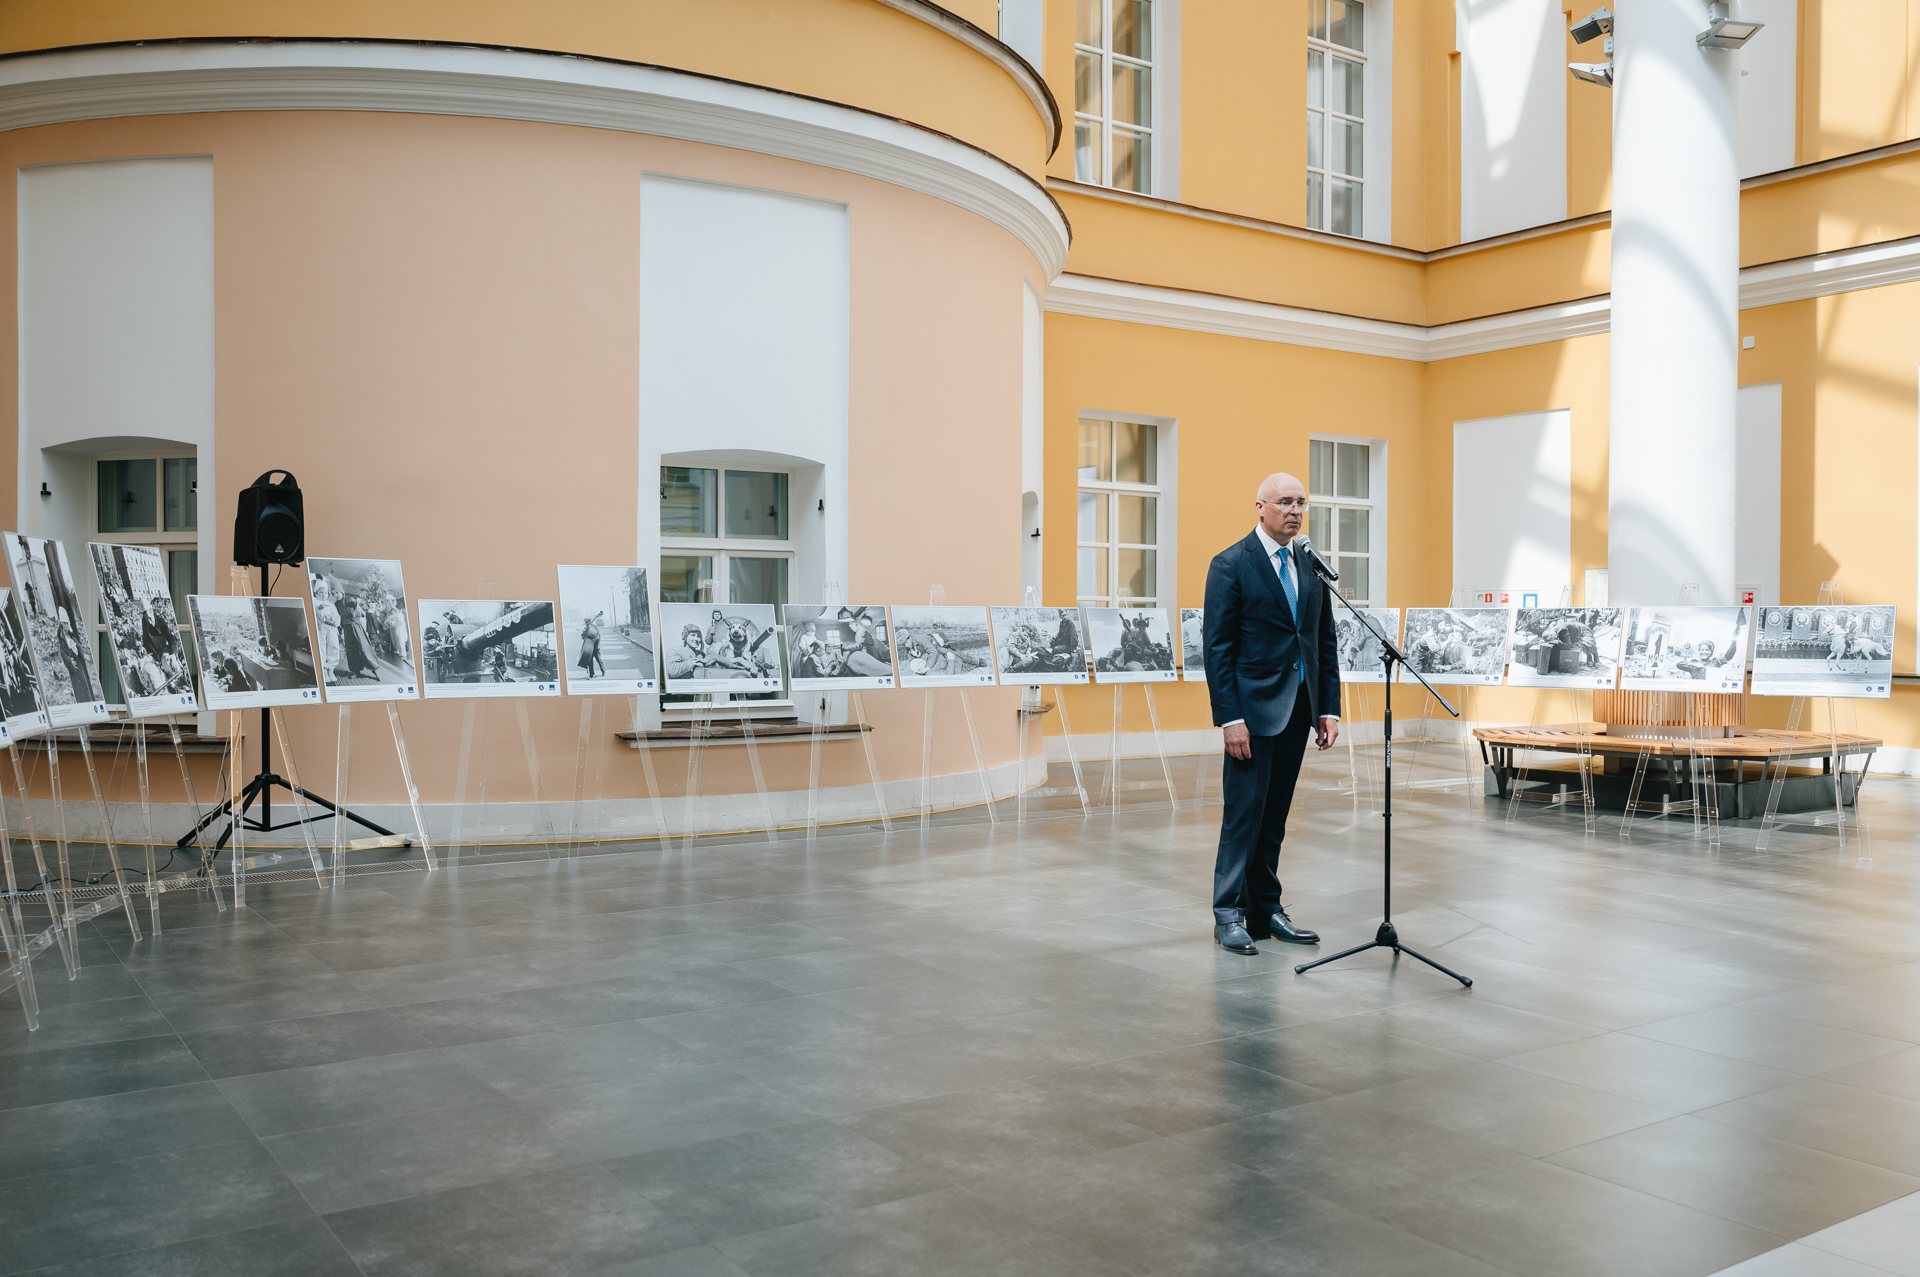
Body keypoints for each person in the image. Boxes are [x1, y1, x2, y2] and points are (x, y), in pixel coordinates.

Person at [1203, 471, 1339, 956]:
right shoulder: (1231, 564)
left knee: (1275, 817)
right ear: (1260, 507)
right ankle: (1228, 914)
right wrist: (1230, 718)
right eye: (1285, 502)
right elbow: (1217, 649)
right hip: (1251, 714)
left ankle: (1265, 909)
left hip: (1298, 711)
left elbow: (1323, 642)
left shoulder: (1309, 566)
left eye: (1301, 502)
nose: (1295, 511)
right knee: (1243, 816)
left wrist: (1328, 708)